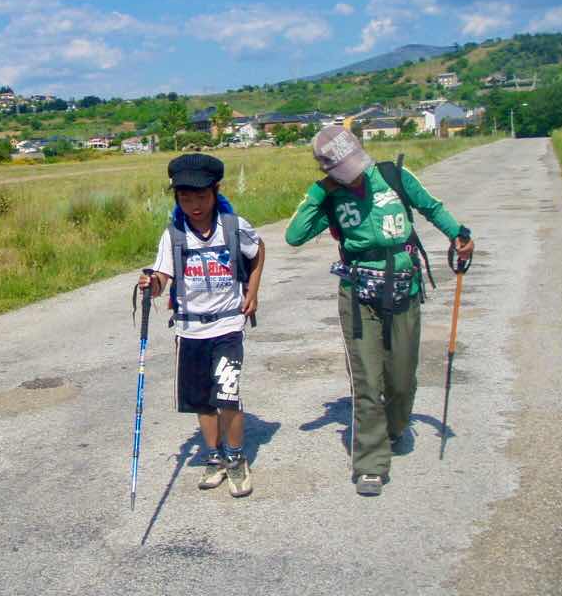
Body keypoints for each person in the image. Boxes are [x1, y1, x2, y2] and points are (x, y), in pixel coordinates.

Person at [285, 126, 474, 497]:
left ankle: (395, 426)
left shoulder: (392, 176)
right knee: (368, 380)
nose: (352, 175)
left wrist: (459, 235)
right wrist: (320, 190)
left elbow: (431, 207)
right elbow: (294, 235)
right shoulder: (330, 196)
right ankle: (370, 462)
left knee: (402, 377)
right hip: (357, 294)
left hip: (405, 287)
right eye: (341, 171)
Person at [138, 153, 264, 498]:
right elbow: (164, 275)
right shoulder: (174, 234)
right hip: (189, 330)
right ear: (176, 197)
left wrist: (252, 292)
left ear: (216, 190)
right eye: (185, 197)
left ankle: (236, 457)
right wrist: (152, 283)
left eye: (201, 196)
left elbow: (258, 252)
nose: (194, 204)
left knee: (227, 395)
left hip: (227, 326)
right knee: (201, 402)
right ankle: (214, 456)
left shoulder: (234, 226)